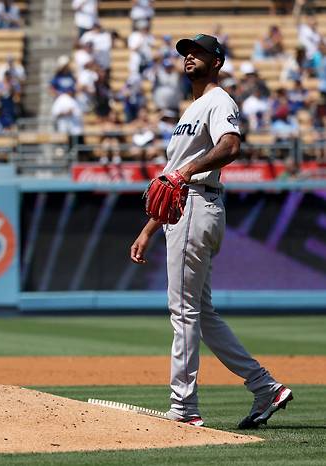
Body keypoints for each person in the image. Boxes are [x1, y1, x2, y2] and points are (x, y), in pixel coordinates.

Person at [129, 34, 293, 429]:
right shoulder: (193, 109)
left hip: (196, 205)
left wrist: (185, 172)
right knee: (201, 313)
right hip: (186, 207)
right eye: (186, 52)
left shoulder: (219, 100)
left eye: (199, 51)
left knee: (183, 312)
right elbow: (173, 180)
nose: (189, 56)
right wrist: (149, 228)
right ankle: (265, 386)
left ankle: (184, 407)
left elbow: (231, 145)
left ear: (216, 61)